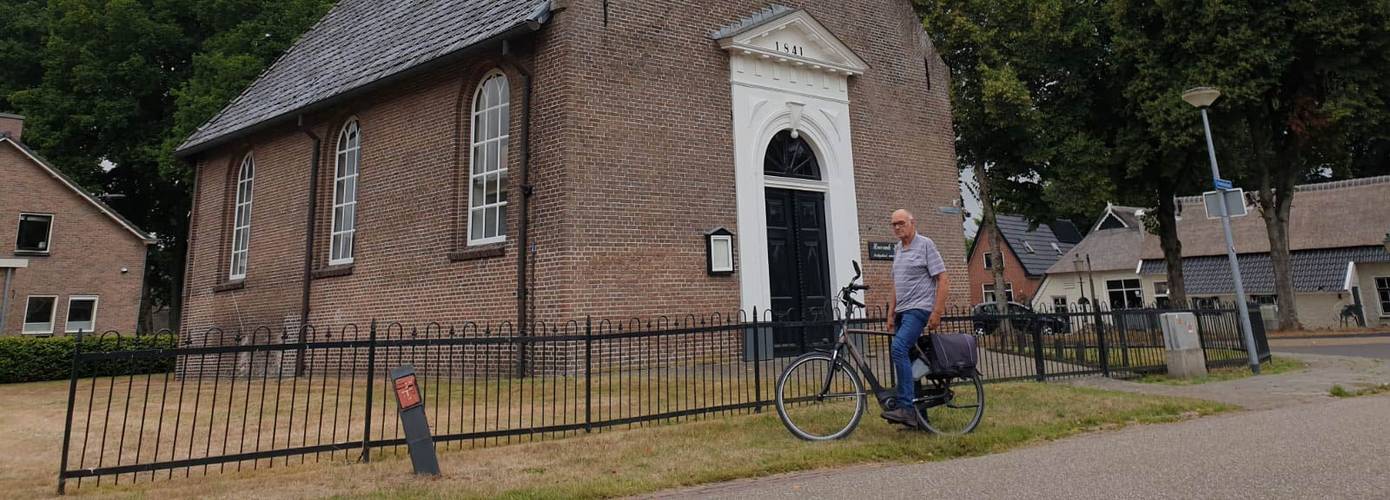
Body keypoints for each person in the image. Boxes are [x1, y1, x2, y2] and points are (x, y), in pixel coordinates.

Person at [882, 209, 951, 427]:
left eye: (901, 223)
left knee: (898, 349)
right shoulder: (898, 249)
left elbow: (943, 278)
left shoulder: (926, 244)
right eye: (893, 224)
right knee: (911, 363)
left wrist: (937, 312)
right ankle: (921, 419)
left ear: (912, 222)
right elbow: (896, 284)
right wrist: (891, 313)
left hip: (918, 309)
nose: (897, 227)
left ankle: (907, 409)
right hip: (902, 311)